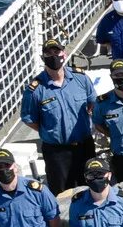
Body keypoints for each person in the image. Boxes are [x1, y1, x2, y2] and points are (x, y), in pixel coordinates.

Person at [19, 39, 94, 194]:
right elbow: (29, 119)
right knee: (61, 193)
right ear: (42, 58)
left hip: (84, 146)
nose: (53, 56)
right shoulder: (35, 90)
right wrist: (51, 130)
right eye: (48, 53)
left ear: (64, 54)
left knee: (91, 188)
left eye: (56, 52)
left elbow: (92, 103)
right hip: (57, 152)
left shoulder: (81, 79)